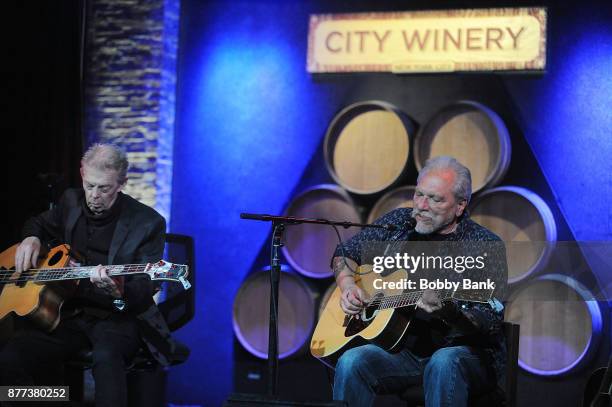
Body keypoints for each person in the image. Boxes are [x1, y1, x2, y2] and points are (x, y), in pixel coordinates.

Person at [0, 144, 180, 407]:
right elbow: (38, 222)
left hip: (118, 317)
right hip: (68, 314)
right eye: (90, 185)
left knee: (106, 358)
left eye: (104, 188)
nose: (94, 195)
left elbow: (146, 287)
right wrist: (31, 237)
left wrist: (119, 291)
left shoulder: (148, 222)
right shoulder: (70, 201)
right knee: (10, 360)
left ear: (121, 183)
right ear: (82, 174)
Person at [331, 156, 507, 407]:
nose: (422, 206)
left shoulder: (484, 246)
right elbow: (344, 253)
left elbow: (489, 319)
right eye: (419, 194)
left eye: (435, 199)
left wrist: (451, 312)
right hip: (407, 352)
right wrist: (348, 286)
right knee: (352, 362)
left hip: (466, 354)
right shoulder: (400, 223)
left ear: (460, 206)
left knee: (444, 362)